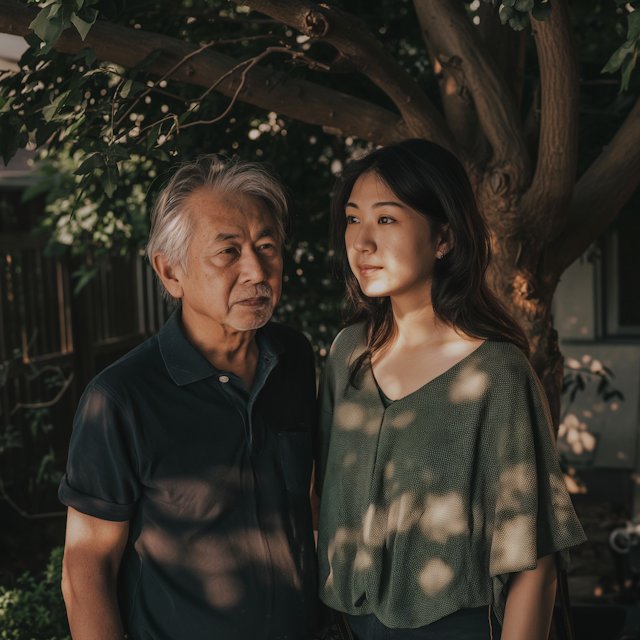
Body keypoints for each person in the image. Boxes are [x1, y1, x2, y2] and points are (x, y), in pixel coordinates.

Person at [315, 139, 586, 640]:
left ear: (444, 238)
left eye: (386, 219)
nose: (362, 242)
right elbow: (324, 494)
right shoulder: (346, 355)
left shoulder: (496, 374)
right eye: (353, 219)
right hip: (346, 625)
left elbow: (535, 563)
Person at [58, 156, 318, 640]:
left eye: (267, 246)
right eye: (228, 252)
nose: (256, 270)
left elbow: (307, 499)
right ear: (170, 271)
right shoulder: (119, 399)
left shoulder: (294, 358)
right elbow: (85, 569)